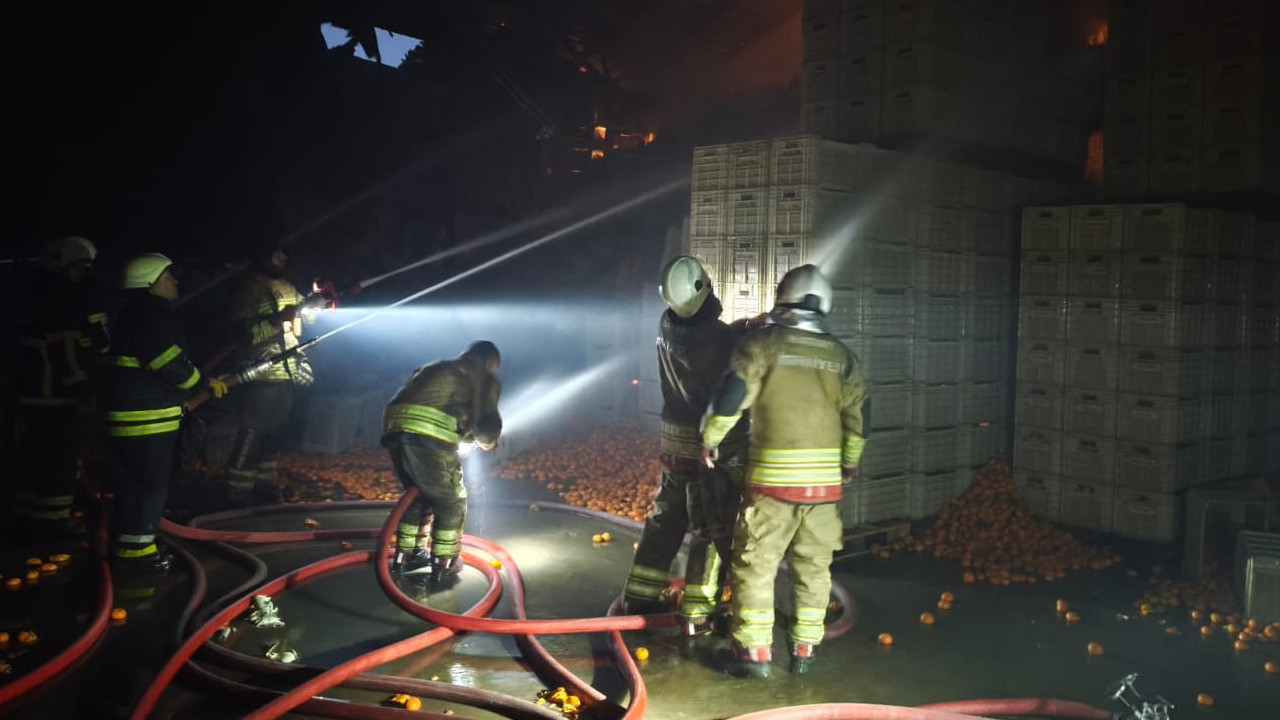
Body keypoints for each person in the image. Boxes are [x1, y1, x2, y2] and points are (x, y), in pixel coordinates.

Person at [700, 264, 866, 678]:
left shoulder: (761, 346)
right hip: (824, 491)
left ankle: (754, 655)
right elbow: (859, 422)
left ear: (782, 297)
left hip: (771, 488)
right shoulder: (843, 358)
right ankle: (805, 651)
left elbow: (729, 398)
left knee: (755, 566)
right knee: (814, 569)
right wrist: (848, 465)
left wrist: (709, 439)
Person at [621, 256, 750, 637]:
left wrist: (736, 329)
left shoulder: (668, 324)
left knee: (666, 517)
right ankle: (698, 611)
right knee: (709, 524)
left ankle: (639, 596)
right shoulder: (717, 339)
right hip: (705, 444)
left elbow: (705, 339)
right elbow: (728, 365)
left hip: (673, 438)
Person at [104, 253, 229, 572]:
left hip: (136, 416)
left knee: (135, 485)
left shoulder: (136, 313)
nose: (174, 281)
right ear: (152, 281)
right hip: (147, 419)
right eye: (168, 276)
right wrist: (203, 383)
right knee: (149, 486)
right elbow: (168, 363)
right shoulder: (149, 316)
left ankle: (133, 544)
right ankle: (137, 555)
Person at [7, 236, 111, 539]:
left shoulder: (38, 297)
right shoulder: (63, 302)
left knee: (34, 460)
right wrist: (83, 392)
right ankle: (52, 523)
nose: (86, 275)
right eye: (82, 268)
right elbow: (67, 353)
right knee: (57, 462)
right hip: (55, 397)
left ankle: (26, 518)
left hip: (33, 396)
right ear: (64, 267)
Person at [383, 341, 502, 584]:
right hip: (428, 437)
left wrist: (463, 436)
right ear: (488, 363)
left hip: (395, 431)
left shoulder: (435, 368)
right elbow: (486, 424)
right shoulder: (482, 376)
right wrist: (489, 443)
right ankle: (444, 563)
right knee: (451, 500)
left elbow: (445, 410)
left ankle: (407, 556)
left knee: (418, 494)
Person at [223, 247, 313, 506]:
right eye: (275, 254)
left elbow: (305, 317)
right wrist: (277, 320)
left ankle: (264, 488)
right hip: (258, 375)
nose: (281, 259)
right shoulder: (249, 289)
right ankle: (236, 493)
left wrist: (317, 302)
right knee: (251, 434)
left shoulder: (288, 287)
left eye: (284, 255)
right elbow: (243, 334)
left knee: (274, 435)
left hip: (286, 373)